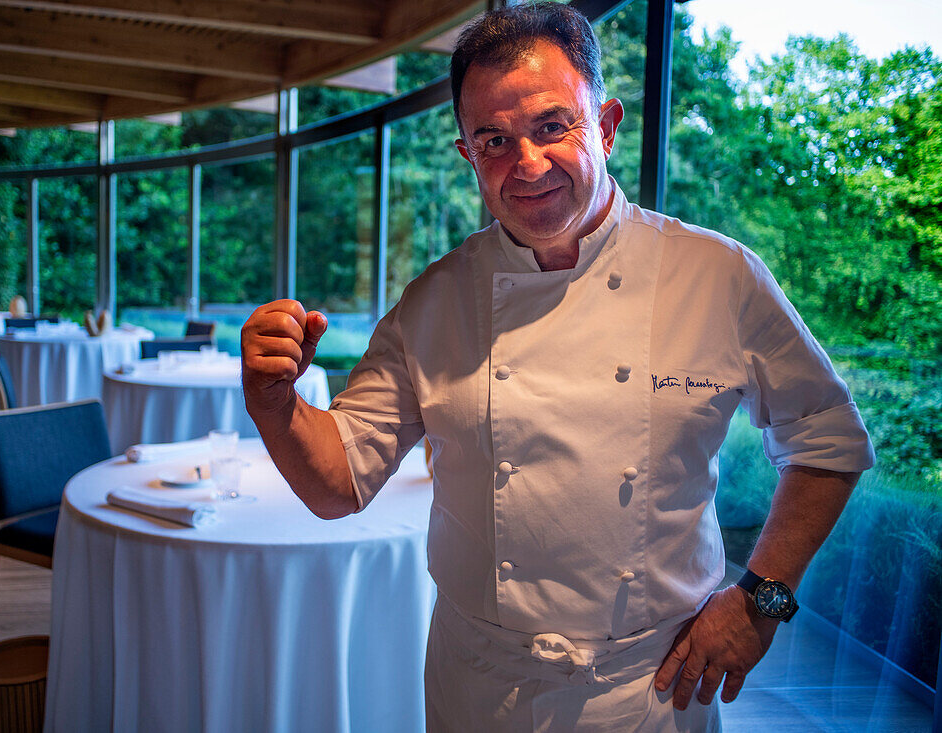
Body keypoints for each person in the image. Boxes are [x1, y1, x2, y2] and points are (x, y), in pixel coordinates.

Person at [241, 4, 874, 731]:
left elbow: (828, 439)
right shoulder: (435, 300)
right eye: (495, 140)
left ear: (604, 126)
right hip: (478, 685)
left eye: (552, 126)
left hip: (650, 689)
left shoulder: (716, 275)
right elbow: (338, 482)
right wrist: (274, 403)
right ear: (467, 156)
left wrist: (763, 601)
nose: (527, 164)